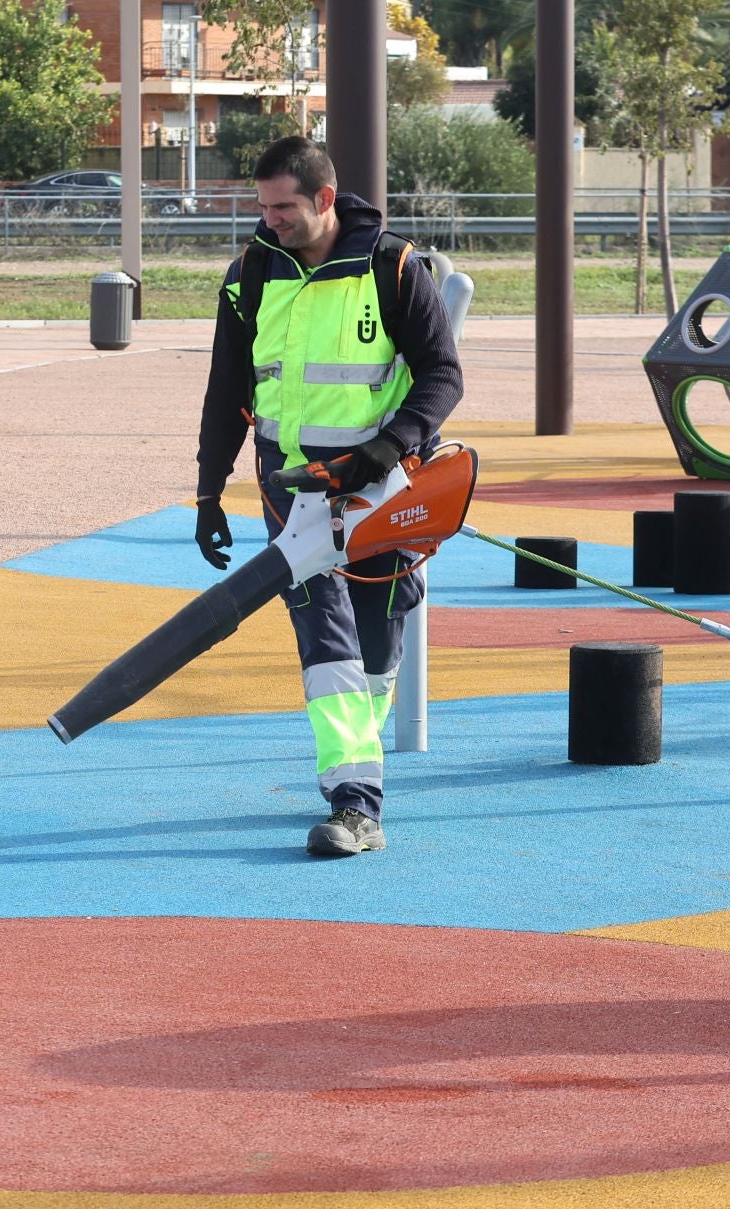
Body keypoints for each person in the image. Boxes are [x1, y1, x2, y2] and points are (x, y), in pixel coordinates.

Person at [194, 136, 464, 858]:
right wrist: (206, 490)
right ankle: (356, 802)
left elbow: (443, 375)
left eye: (281, 207)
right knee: (328, 641)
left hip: (382, 487)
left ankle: (357, 756)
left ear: (322, 199)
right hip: (293, 492)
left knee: (377, 641)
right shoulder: (250, 273)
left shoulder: (395, 267)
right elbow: (228, 391)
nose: (268, 220)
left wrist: (391, 444)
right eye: (261, 206)